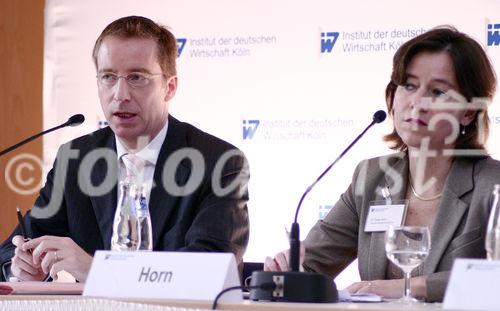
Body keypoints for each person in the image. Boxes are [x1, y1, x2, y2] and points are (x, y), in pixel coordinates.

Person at [0, 16, 250, 282]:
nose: (120, 94)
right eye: (108, 77)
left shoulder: (220, 162)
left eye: (137, 77)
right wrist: (20, 267)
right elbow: (12, 249)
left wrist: (99, 270)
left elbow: (209, 270)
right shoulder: (76, 159)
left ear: (170, 87)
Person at [264, 26, 499, 302]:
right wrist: (291, 268)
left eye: (437, 92)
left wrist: (410, 288)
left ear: (468, 112)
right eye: (409, 85)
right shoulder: (371, 177)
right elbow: (314, 262)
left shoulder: (492, 185)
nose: (417, 103)